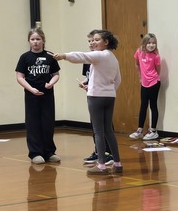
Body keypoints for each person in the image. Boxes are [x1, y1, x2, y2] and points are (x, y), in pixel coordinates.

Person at [55, 29, 122, 174]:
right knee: (108, 131)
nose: (94, 42)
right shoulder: (113, 57)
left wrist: (63, 56)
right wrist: (107, 90)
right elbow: (118, 80)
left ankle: (102, 166)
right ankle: (117, 164)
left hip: (96, 97)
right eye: (93, 40)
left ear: (106, 42)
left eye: (97, 40)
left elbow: (81, 56)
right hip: (109, 97)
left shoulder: (99, 55)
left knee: (98, 132)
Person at [15, 26, 61, 164]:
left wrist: (51, 83)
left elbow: (56, 75)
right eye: (32, 39)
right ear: (29, 41)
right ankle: (35, 153)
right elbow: (20, 77)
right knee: (33, 123)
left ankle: (49, 152)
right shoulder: (25, 57)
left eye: (38, 39)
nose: (35, 42)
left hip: (47, 95)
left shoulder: (50, 56)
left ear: (43, 40)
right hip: (32, 96)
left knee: (48, 123)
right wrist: (31, 89)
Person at [79, 30, 115, 166]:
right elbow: (89, 77)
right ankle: (98, 151)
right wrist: (85, 83)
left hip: (102, 96)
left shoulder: (103, 57)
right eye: (89, 41)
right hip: (92, 95)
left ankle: (108, 153)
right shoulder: (88, 58)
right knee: (95, 127)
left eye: (94, 40)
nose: (91, 43)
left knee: (105, 127)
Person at [130, 33, 162, 141]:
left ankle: (153, 130)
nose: (151, 45)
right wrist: (140, 77)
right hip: (144, 83)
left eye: (154, 43)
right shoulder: (139, 52)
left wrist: (153, 78)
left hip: (154, 82)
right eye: (149, 43)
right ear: (145, 43)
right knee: (143, 105)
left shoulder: (156, 56)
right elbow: (137, 64)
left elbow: (158, 70)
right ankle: (140, 130)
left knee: (153, 105)